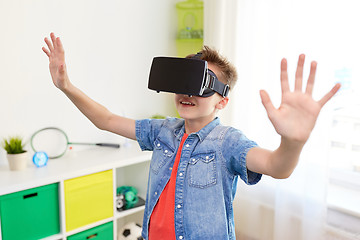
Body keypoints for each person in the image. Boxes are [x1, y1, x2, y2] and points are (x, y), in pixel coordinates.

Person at [42, 32, 340, 240]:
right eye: (184, 83)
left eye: (202, 86)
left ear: (222, 101)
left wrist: (293, 141)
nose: (187, 93)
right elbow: (105, 119)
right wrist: (66, 85)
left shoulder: (228, 142)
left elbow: (278, 167)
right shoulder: (162, 131)